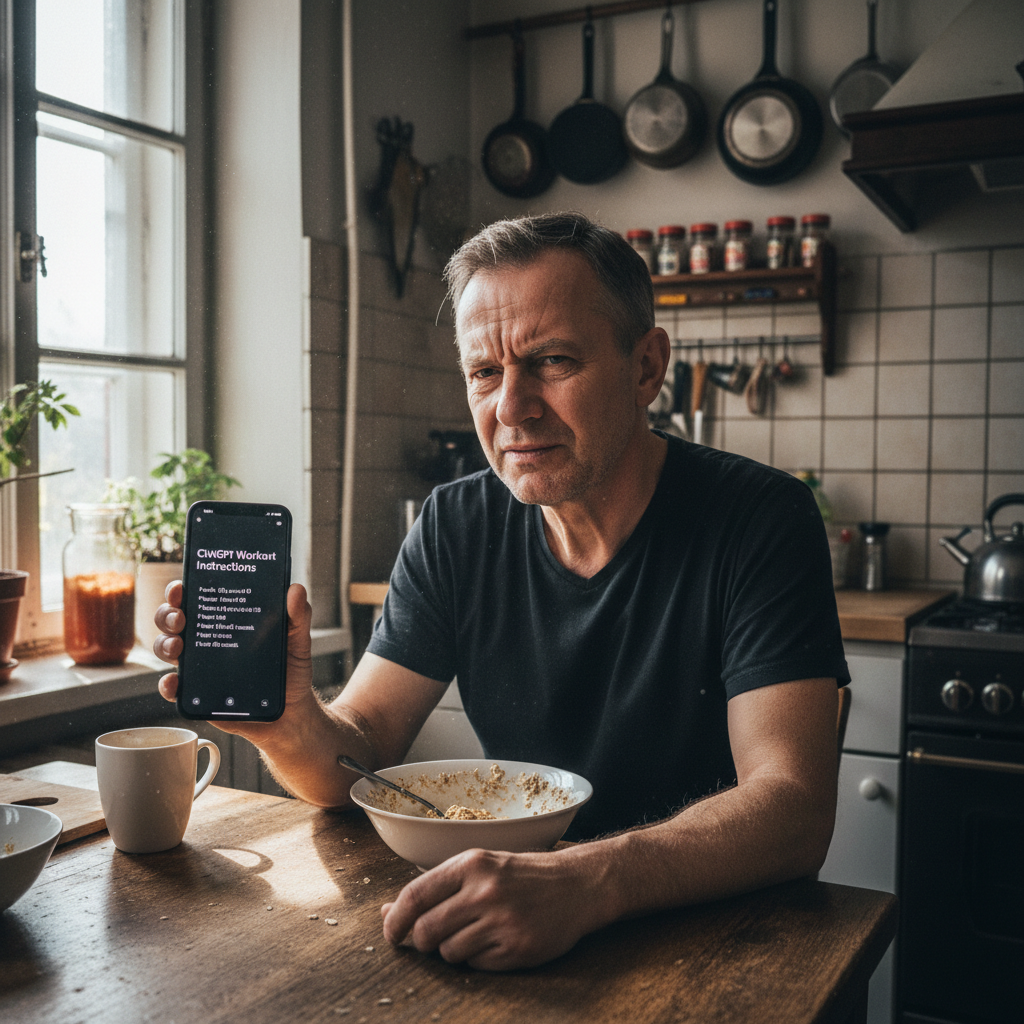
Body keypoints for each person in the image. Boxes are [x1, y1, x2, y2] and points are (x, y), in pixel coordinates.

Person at [154, 212, 849, 972]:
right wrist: (288, 720)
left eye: (552, 361)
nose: (511, 408)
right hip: (517, 928)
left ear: (647, 367)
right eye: (484, 373)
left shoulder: (760, 518)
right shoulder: (455, 524)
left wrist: (583, 881)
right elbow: (360, 751)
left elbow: (793, 807)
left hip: (722, 947)